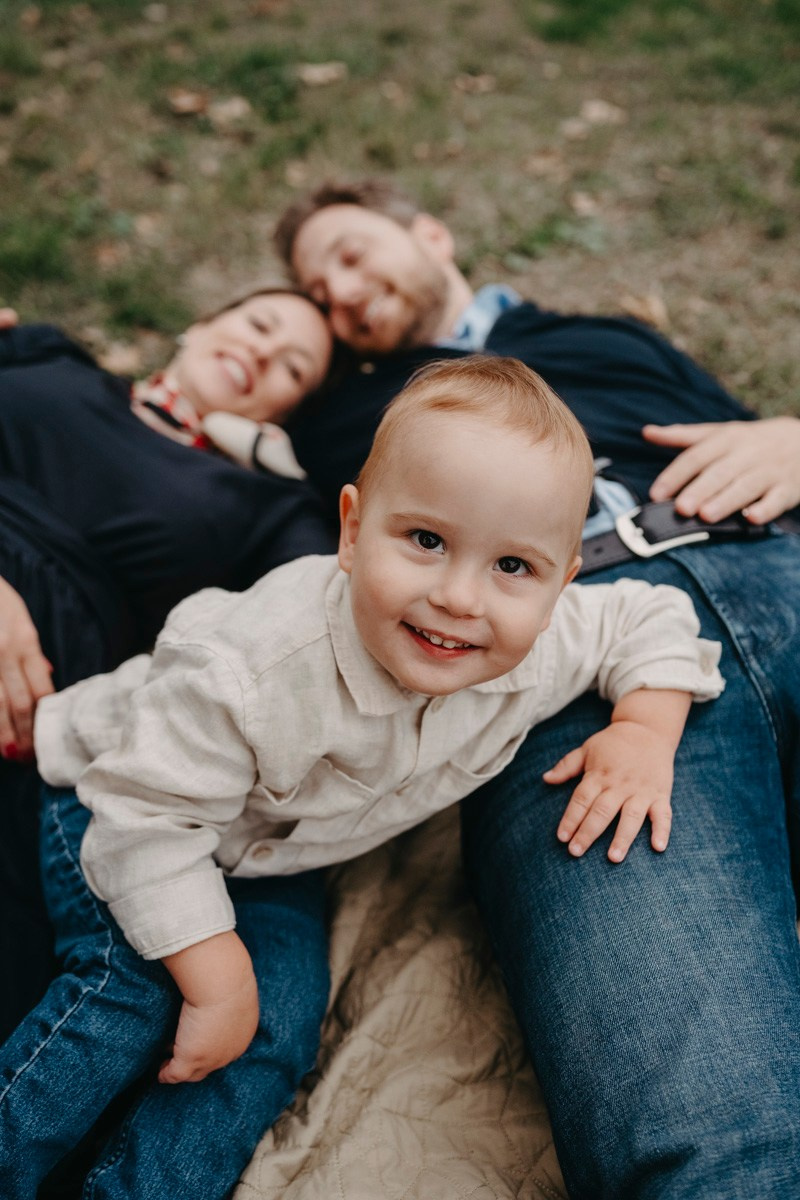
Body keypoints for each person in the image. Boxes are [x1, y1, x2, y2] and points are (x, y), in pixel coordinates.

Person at [1, 355, 723, 1199]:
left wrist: (643, 726)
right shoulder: (257, 666)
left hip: (274, 856)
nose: (459, 597)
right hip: (112, 798)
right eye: (425, 541)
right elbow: (143, 819)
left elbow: (653, 611)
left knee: (274, 1030)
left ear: (563, 583)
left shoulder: (544, 642)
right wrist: (216, 971)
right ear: (351, 529)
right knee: (131, 991)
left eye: (513, 568)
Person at [259, 179, 800, 1199]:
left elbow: (750, 431)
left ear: (428, 231)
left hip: (765, 551)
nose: (335, 290)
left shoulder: (602, 337)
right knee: (722, 1147)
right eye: (315, 289)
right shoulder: (338, 423)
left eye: (346, 249)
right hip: (559, 672)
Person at [0, 287, 337, 1056]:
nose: (260, 353)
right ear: (199, 322)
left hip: (35, 697)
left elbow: (337, 605)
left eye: (291, 367)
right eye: (257, 325)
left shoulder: (269, 506)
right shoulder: (49, 354)